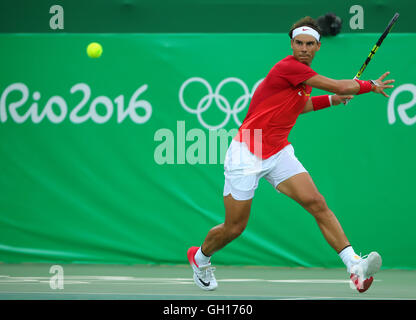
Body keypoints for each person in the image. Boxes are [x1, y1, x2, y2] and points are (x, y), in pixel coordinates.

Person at [187, 16, 394, 293]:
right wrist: (367, 86)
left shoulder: (303, 76)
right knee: (234, 228)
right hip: (246, 153)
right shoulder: (289, 67)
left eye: (310, 44)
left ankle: (354, 265)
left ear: (318, 46)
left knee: (317, 203)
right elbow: (343, 85)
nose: (304, 48)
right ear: (292, 44)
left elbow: (301, 105)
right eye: (299, 43)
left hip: (278, 151)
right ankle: (199, 257)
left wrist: (333, 101)